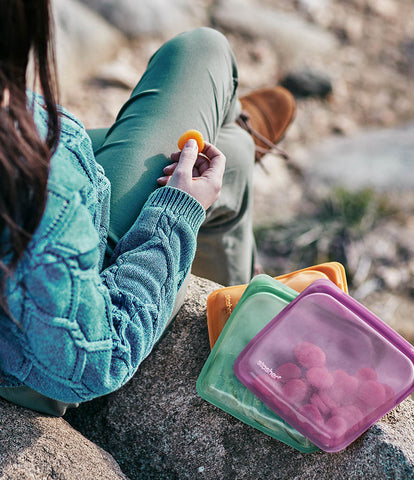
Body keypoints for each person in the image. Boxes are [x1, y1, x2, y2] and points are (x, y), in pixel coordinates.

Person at [0, 0, 295, 416]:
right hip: (31, 361)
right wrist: (177, 212)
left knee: (223, 150)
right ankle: (237, 339)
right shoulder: (46, 200)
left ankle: (231, 138)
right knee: (204, 51)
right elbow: (97, 356)